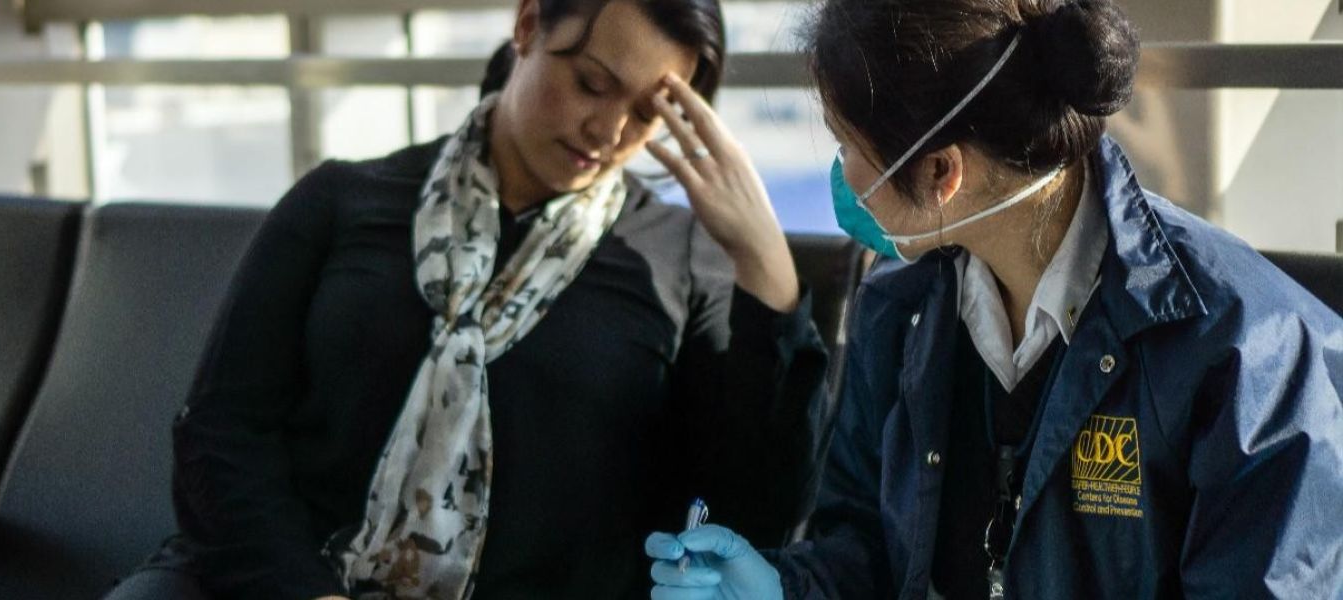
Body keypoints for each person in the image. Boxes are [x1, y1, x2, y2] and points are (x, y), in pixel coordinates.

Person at [105, 0, 834, 598]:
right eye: (590, 83)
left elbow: (753, 512)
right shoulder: (343, 201)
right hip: (283, 579)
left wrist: (767, 272)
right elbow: (221, 429)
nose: (607, 132)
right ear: (526, 26)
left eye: (647, 115)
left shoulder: (681, 262)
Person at [644, 0, 1343, 597]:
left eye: (843, 141)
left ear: (942, 171)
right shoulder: (899, 313)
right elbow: (864, 555)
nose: (841, 174)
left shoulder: (1248, 352)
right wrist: (785, 588)